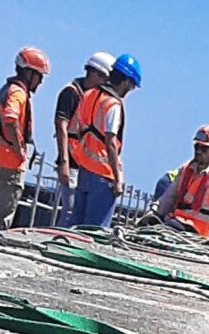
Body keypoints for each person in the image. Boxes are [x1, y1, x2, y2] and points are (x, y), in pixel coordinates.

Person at [66, 49, 140, 229]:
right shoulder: (113, 105)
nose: (129, 91)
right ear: (126, 82)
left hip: (84, 168)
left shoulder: (89, 94)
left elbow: (74, 128)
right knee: (94, 231)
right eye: (131, 86)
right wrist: (117, 178)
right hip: (103, 175)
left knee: (76, 226)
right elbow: (110, 144)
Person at [0, 45, 49, 229]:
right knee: (3, 211)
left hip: (1, 155)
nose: (41, 82)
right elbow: (10, 119)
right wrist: (18, 148)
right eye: (39, 76)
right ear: (29, 73)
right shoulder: (18, 93)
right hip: (10, 161)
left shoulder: (7, 89)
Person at [53, 50, 112, 221]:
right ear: (94, 73)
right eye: (104, 79)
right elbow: (61, 125)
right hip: (71, 162)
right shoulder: (71, 93)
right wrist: (64, 162)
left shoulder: (92, 99)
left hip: (84, 165)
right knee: (70, 211)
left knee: (77, 212)